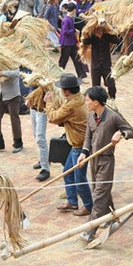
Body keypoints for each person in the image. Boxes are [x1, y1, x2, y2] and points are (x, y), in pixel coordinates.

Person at [77, 86, 133, 242]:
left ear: (96, 102)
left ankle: (90, 230)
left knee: (99, 194)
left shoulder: (113, 117)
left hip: (106, 160)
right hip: (92, 160)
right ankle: (111, 216)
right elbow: (88, 137)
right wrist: (83, 153)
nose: (86, 102)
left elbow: (130, 131)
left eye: (87, 100)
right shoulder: (90, 116)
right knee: (101, 189)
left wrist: (120, 133)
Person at [46, 74, 92, 215]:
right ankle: (72, 202)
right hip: (76, 145)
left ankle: (89, 206)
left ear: (66, 91)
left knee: (79, 178)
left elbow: (53, 117)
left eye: (62, 89)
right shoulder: (79, 98)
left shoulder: (71, 105)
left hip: (80, 146)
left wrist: (49, 102)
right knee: (67, 173)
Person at [0, 67, 24, 154]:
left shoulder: (12, 60)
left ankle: (18, 143)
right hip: (2, 95)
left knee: (14, 120)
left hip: (13, 95)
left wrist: (2, 72)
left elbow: (16, 73)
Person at [58, 5, 86, 78]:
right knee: (63, 60)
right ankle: (57, 74)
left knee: (77, 59)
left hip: (71, 42)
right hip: (66, 43)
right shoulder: (67, 19)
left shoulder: (69, 18)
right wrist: (73, 30)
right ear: (74, 10)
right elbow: (65, 32)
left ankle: (81, 75)